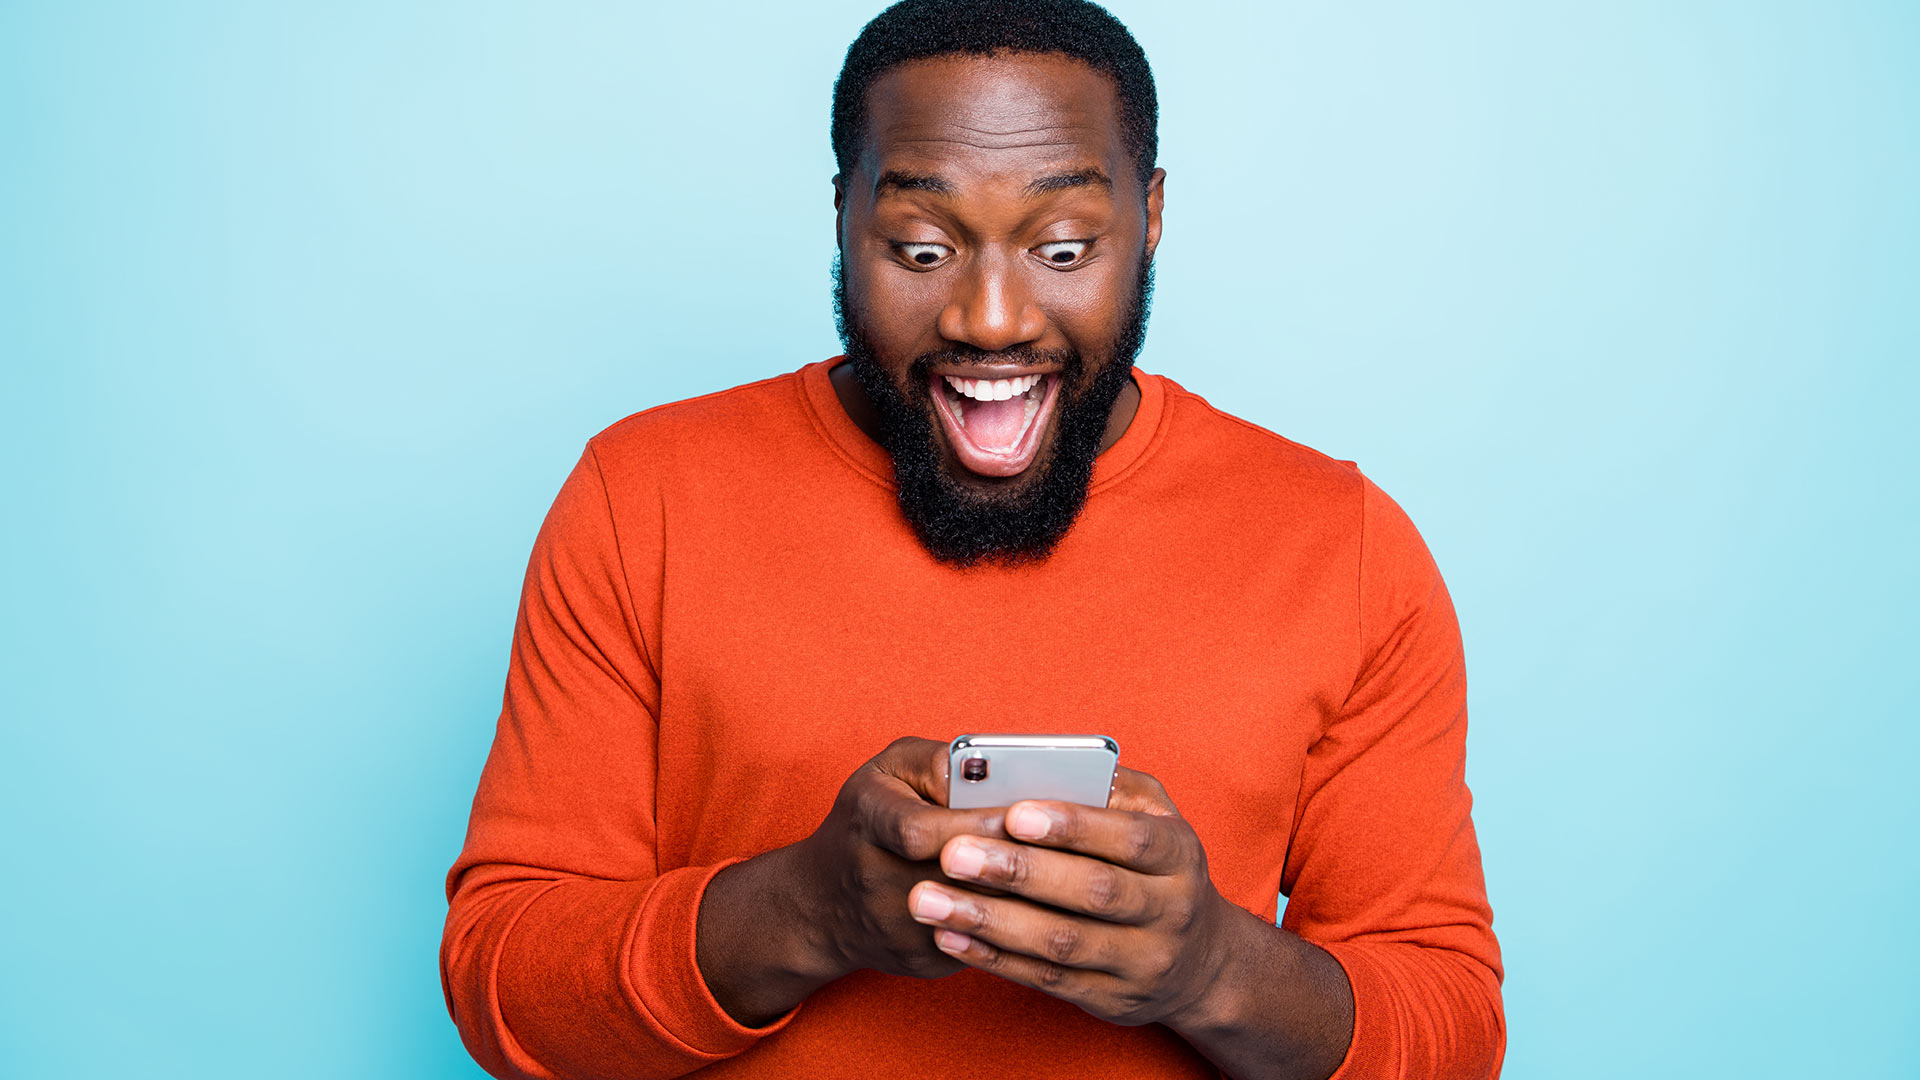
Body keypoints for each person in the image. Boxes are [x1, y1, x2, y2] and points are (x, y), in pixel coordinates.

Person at [440, 1, 1504, 1076]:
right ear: (842, 215)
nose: (990, 318)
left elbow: (1452, 1032)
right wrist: (807, 912)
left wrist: (1211, 968)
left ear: (1154, 214)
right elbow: (506, 986)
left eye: (1063, 246)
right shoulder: (645, 497)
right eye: (921, 245)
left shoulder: (1340, 545)